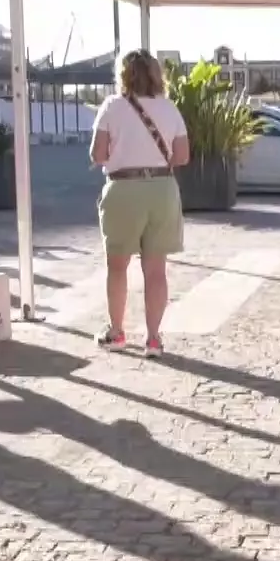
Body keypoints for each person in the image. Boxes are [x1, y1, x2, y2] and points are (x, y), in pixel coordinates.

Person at [90, 49, 189, 357]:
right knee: (156, 270)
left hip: (124, 188)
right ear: (157, 75)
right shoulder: (170, 109)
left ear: (123, 75)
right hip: (162, 188)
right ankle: (154, 338)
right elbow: (183, 156)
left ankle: (117, 332)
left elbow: (97, 155)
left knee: (117, 266)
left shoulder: (112, 106)